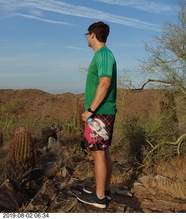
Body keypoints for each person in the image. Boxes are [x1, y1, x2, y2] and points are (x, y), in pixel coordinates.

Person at [76, 21, 117, 209]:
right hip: (101, 112)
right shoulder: (103, 55)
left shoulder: (103, 55)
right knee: (104, 150)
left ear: (92, 34)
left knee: (99, 152)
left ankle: (99, 197)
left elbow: (104, 83)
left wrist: (90, 110)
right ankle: (104, 190)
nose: (86, 37)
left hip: (99, 113)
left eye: (87, 34)